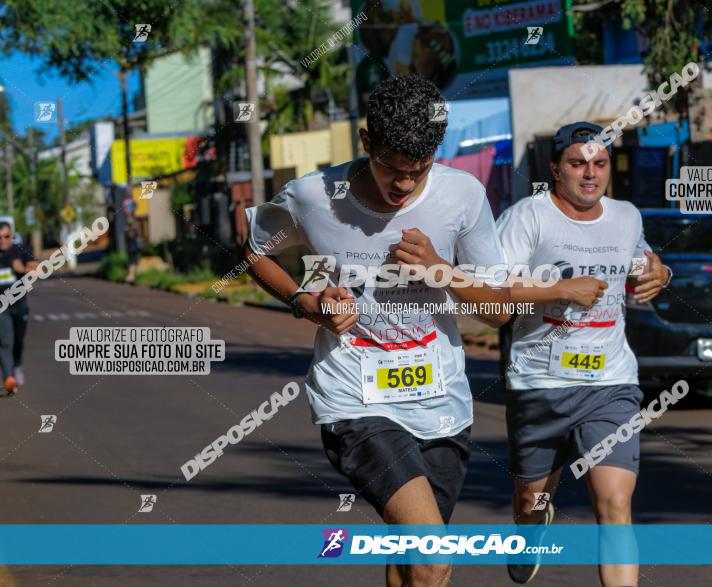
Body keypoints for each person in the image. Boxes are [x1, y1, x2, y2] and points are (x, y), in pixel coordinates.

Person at [244, 75, 511, 587]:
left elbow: (498, 313)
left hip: (441, 401)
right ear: (366, 142)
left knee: (412, 561)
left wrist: (441, 270)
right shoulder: (313, 196)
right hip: (355, 400)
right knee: (433, 557)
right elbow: (256, 249)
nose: (405, 185)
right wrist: (307, 302)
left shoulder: (463, 195)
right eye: (392, 167)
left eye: (420, 169)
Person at [496, 122, 672, 586]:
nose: (590, 174)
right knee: (530, 500)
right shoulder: (526, 217)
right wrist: (558, 289)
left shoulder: (627, 215)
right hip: (540, 382)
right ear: (555, 168)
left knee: (615, 505)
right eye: (577, 164)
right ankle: (532, 528)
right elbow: (489, 294)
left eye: (599, 164)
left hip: (610, 384)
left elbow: (643, 262)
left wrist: (661, 273)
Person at [0, 221, 38, 393]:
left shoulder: (20, 250)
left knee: (18, 339)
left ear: (12, 236)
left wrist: (22, 269)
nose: (2, 240)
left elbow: (37, 267)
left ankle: (17, 364)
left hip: (20, 304)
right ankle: (9, 379)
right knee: (5, 341)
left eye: (6, 236)